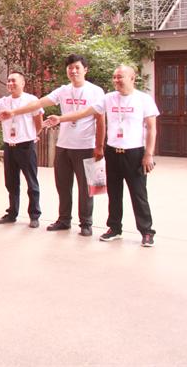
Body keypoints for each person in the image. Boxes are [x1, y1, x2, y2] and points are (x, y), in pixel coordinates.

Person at [47, 65, 159, 247]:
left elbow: (152, 129)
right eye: (114, 77)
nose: (116, 80)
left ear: (132, 78)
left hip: (134, 153)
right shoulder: (109, 98)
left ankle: (146, 232)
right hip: (113, 152)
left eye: (120, 77)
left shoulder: (143, 99)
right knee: (113, 193)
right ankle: (114, 229)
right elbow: (84, 112)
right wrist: (60, 119)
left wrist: (148, 154)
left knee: (138, 195)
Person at [0, 54, 105, 236]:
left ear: (85, 70)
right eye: (70, 68)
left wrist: (99, 146)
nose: (73, 71)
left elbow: (100, 119)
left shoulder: (96, 91)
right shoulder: (63, 90)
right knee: (63, 185)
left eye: (77, 68)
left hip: (86, 145)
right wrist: (14, 112)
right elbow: (39, 103)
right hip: (63, 145)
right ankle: (64, 220)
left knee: (87, 187)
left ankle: (86, 223)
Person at [0, 72, 43, 228]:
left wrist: (32, 136)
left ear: (22, 83)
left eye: (14, 81)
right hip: (9, 146)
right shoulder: (3, 102)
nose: (10, 83)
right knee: (11, 182)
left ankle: (34, 215)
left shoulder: (31, 100)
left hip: (26, 146)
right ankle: (12, 213)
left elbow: (39, 123)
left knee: (31, 182)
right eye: (8, 81)